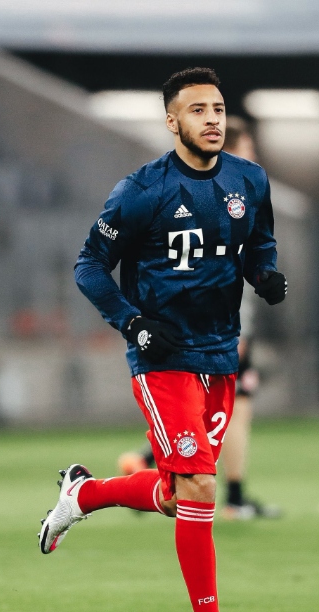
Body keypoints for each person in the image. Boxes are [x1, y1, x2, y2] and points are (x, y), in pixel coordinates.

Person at [37, 67, 287, 612]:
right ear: (172, 121)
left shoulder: (249, 180)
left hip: (220, 354)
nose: (212, 120)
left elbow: (258, 243)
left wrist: (265, 275)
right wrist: (133, 323)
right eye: (198, 111)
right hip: (162, 359)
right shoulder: (142, 190)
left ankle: (84, 494)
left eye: (218, 109)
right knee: (200, 487)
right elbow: (89, 265)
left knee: (181, 498)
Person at [118, 116, 279, 520]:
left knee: (204, 421)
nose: (253, 158)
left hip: (209, 330)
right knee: (232, 413)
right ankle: (233, 497)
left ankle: (148, 466)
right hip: (217, 333)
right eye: (248, 150)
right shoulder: (226, 199)